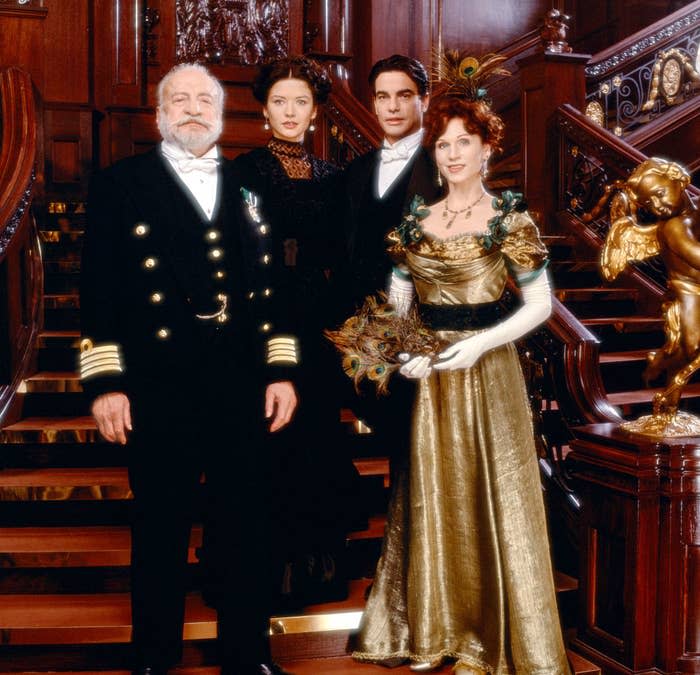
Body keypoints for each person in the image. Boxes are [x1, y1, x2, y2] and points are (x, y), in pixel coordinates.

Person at [79, 62, 298, 675]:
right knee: (160, 529)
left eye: (206, 99)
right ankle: (152, 658)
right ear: (159, 114)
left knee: (247, 526)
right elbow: (96, 292)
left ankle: (246, 655)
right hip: (157, 387)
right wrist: (104, 383)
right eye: (180, 99)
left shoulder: (252, 190)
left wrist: (281, 372)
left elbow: (271, 291)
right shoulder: (119, 185)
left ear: (223, 114)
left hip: (241, 386)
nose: (194, 108)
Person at [351, 83, 572, 673]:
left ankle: (488, 637)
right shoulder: (415, 222)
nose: (452, 153)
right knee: (430, 496)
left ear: (485, 149)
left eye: (463, 142)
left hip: (488, 371)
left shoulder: (508, 218)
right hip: (431, 376)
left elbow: (540, 306)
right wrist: (405, 352)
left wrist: (476, 345)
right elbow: (397, 305)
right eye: (442, 143)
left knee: (488, 494)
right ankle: (432, 630)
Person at [230, 55, 362, 610]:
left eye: (300, 102)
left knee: (317, 438)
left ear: (315, 113)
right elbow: (239, 253)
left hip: (323, 320)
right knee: (270, 440)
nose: (290, 111)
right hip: (266, 317)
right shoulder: (245, 170)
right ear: (264, 109)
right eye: (279, 101)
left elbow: (351, 250)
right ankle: (268, 571)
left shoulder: (336, 177)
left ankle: (316, 567)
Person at [337, 53, 444, 472]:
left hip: (419, 325)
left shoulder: (443, 166)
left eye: (404, 96)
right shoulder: (356, 171)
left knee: (415, 447)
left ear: (425, 101)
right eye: (383, 97)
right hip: (358, 328)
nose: (393, 107)